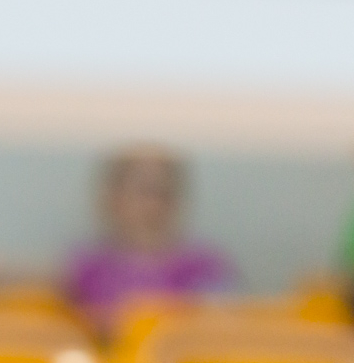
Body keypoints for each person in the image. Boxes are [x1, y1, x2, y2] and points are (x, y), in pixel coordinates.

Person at [65, 144, 234, 335]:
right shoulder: (87, 266)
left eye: (164, 193)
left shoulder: (204, 265)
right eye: (144, 191)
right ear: (112, 197)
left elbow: (223, 323)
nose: (154, 205)